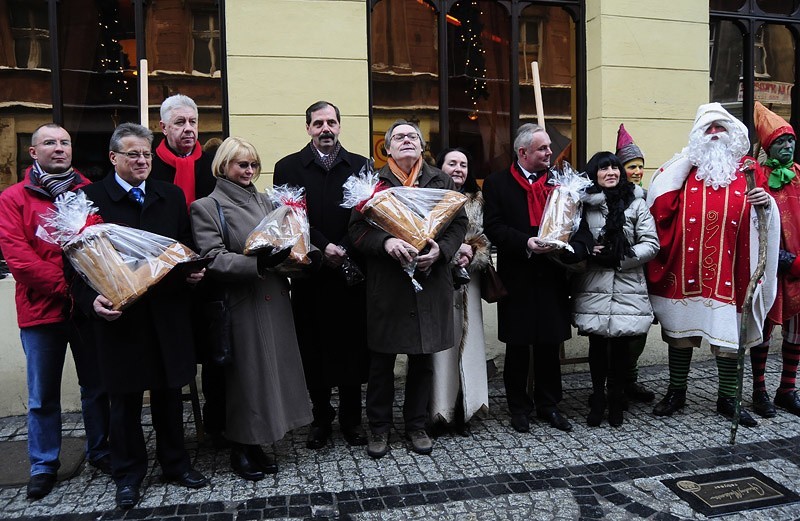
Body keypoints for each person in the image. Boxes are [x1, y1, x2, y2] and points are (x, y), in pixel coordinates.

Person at [71, 123, 209, 509]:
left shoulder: (170, 195)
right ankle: (128, 474)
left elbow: (185, 247)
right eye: (133, 154)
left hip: (167, 314)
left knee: (169, 395)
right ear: (113, 157)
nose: (143, 160)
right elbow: (75, 265)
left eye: (147, 154)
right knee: (125, 402)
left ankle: (175, 464)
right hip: (122, 319)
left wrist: (194, 272)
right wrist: (90, 301)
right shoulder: (90, 199)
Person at [646, 102, 779, 428]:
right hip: (686, 269)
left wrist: (766, 203)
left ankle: (728, 398)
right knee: (679, 333)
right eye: (708, 131)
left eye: (721, 130)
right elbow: (658, 201)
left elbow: (767, 211)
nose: (715, 136)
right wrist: (685, 159)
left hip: (732, 272)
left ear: (734, 135)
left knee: (729, 335)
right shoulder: (684, 171)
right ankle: (676, 391)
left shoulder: (748, 173)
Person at [190, 137, 313, 481]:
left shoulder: (267, 200)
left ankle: (261, 440)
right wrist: (256, 265)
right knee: (247, 380)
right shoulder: (207, 206)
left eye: (253, 165)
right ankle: (241, 446)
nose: (248, 171)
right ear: (223, 166)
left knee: (272, 373)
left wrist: (300, 253)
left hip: (274, 299)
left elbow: (287, 240)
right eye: (241, 164)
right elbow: (212, 257)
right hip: (241, 303)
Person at [0, 124, 111, 501]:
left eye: (64, 142)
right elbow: (19, 260)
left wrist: (87, 294)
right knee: (42, 395)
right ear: (34, 152)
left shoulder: (87, 192)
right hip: (41, 310)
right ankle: (43, 464)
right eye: (50, 142)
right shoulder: (14, 198)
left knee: (96, 387)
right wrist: (71, 290)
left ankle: (101, 451)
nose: (59, 148)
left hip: (86, 310)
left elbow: (100, 247)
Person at [349, 120, 467, 458]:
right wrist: (385, 242)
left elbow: (459, 222)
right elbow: (356, 231)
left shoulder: (441, 180)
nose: (406, 141)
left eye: (413, 136)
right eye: (398, 137)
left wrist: (441, 251)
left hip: (429, 284)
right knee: (381, 363)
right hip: (388, 284)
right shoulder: (371, 183)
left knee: (422, 361)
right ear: (386, 148)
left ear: (421, 145)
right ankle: (379, 429)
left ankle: (416, 425)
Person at [273, 101, 370, 450]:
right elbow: (289, 218)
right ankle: (321, 419)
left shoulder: (360, 165)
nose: (325, 128)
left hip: (350, 271)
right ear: (308, 128)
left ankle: (351, 420)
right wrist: (324, 246)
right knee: (312, 349)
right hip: (311, 272)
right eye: (318, 123)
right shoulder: (287, 167)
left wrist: (343, 246)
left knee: (351, 348)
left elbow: (368, 213)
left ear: (340, 126)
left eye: (331, 122)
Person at [482, 123, 574, 434]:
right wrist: (526, 242)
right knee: (518, 347)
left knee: (550, 343)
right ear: (523, 152)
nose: (551, 152)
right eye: (543, 148)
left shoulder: (561, 183)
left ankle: (549, 405)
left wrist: (563, 242)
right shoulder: (497, 184)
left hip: (551, 274)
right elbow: (493, 227)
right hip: (517, 275)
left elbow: (571, 222)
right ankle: (518, 407)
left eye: (549, 147)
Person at [150, 93, 224, 444]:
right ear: (162, 126)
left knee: (215, 356)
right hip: (164, 279)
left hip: (211, 274)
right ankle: (173, 436)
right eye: (179, 123)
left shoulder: (212, 165)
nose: (188, 129)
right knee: (172, 359)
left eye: (193, 122)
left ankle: (217, 426)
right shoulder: (148, 164)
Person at [570, 151, 659, 427]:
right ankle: (597, 398)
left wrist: (624, 254)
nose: (611, 172)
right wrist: (587, 252)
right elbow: (570, 238)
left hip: (627, 284)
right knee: (597, 345)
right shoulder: (582, 204)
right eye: (604, 168)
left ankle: (617, 399)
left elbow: (651, 243)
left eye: (614, 167)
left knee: (621, 347)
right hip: (594, 283)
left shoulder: (636, 203)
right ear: (593, 173)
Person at [429, 147, 490, 434]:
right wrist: (452, 253)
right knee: (442, 348)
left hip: (470, 283)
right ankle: (440, 411)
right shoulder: (431, 197)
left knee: (469, 347)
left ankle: (466, 409)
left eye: (463, 164)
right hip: (439, 279)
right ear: (440, 166)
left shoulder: (478, 200)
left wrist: (473, 253)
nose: (458, 168)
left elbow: (486, 241)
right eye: (452, 162)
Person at [749, 101, 800, 418]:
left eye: (791, 140)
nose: (788, 146)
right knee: (764, 329)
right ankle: (759, 391)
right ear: (768, 147)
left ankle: (787, 389)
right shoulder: (757, 177)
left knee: (797, 332)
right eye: (781, 141)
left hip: (798, 266)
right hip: (770, 267)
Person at [614, 124, 656, 404]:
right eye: (632, 166)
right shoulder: (613, 198)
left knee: (639, 330)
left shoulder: (648, 197)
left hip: (642, 274)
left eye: (640, 166)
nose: (638, 172)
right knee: (618, 334)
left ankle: (629, 379)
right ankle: (616, 383)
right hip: (616, 278)